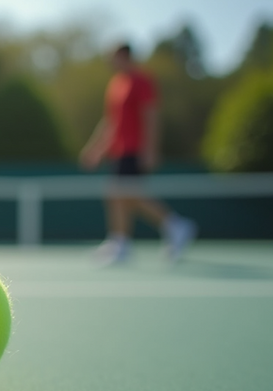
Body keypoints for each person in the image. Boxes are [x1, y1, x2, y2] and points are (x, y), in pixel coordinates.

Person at [80, 44, 196, 264]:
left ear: (125, 57)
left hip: (135, 149)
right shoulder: (115, 85)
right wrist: (96, 149)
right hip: (119, 150)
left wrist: (150, 149)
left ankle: (174, 224)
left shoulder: (142, 81)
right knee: (119, 195)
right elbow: (111, 123)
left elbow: (150, 116)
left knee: (124, 193)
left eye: (113, 57)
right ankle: (121, 243)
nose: (110, 62)